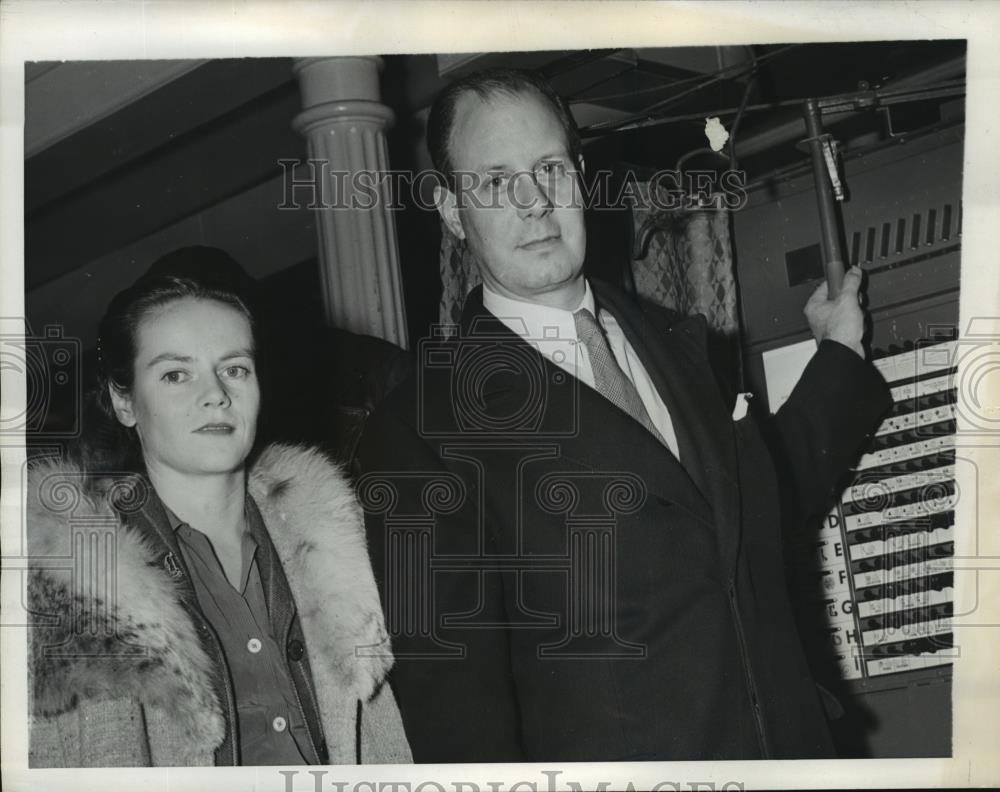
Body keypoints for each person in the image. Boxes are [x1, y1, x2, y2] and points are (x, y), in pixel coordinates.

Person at [359, 69, 893, 762]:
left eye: (550, 168)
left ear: (581, 175)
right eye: (495, 182)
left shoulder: (679, 345)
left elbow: (753, 524)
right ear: (453, 210)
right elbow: (458, 718)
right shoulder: (420, 431)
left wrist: (840, 356)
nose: (534, 202)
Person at [27, 247, 411, 766]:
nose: (215, 395)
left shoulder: (350, 545)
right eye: (175, 374)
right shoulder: (68, 590)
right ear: (123, 401)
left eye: (234, 368)